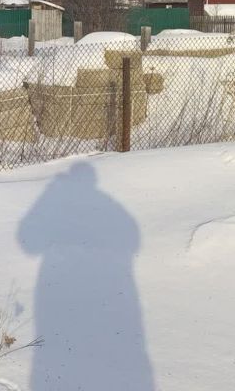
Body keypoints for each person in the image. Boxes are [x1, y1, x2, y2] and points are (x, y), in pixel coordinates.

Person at [18, 162, 154, 390]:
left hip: (71, 290)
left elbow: (28, 241)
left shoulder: (57, 199)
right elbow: (133, 237)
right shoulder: (112, 206)